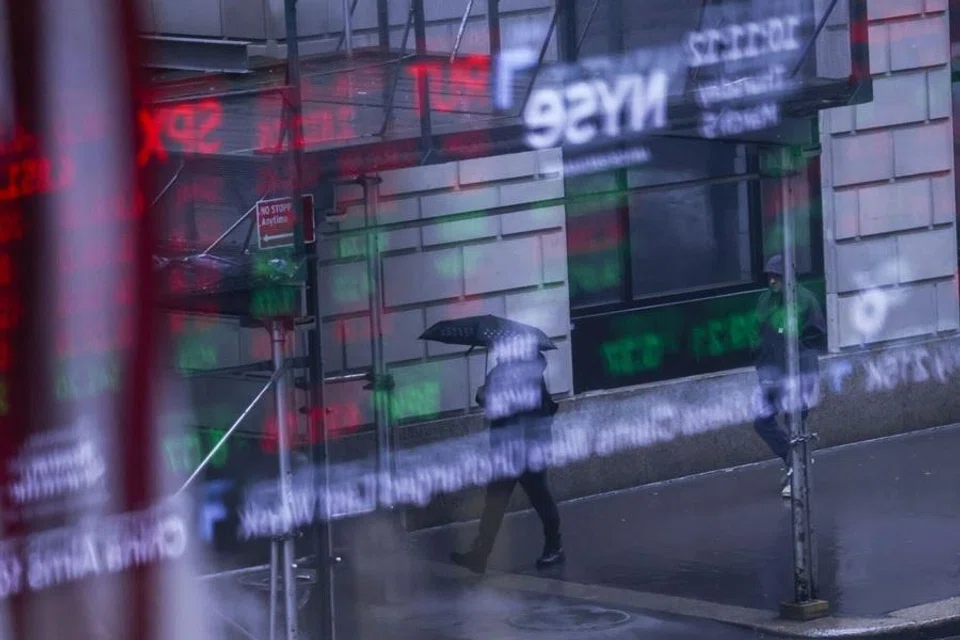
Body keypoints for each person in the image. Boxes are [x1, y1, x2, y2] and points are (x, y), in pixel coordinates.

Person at [450, 351, 564, 575]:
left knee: (539, 498)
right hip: (508, 449)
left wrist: (485, 397)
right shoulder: (503, 371)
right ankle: (481, 553)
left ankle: (555, 545)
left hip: (527, 448)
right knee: (495, 502)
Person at [753, 255, 826, 499]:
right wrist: (762, 365)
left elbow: (816, 336)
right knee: (762, 421)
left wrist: (799, 364)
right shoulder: (765, 300)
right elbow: (758, 335)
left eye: (777, 276)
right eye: (770, 276)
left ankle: (797, 472)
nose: (772, 281)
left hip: (797, 374)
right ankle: (793, 460)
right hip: (772, 373)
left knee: (794, 422)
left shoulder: (805, 300)